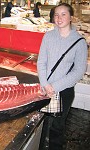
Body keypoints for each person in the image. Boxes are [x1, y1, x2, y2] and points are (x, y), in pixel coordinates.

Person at [37, 3, 88, 150]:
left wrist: (55, 87)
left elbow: (78, 71)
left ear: (71, 17)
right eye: (56, 15)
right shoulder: (48, 36)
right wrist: (45, 84)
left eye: (63, 14)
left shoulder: (79, 42)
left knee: (57, 128)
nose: (59, 18)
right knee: (42, 124)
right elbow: (41, 61)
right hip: (45, 88)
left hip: (64, 91)